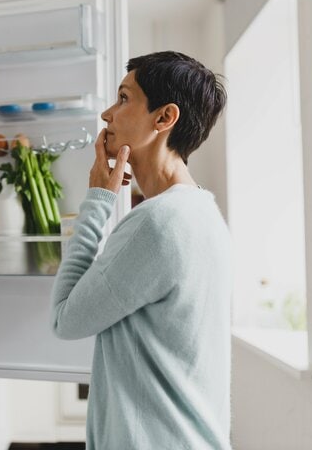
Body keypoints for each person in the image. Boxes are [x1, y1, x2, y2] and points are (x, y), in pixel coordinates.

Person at [50, 51, 232, 449]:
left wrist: (98, 199)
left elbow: (64, 319)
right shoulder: (204, 212)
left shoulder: (158, 223)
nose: (107, 114)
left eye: (123, 98)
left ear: (164, 118)